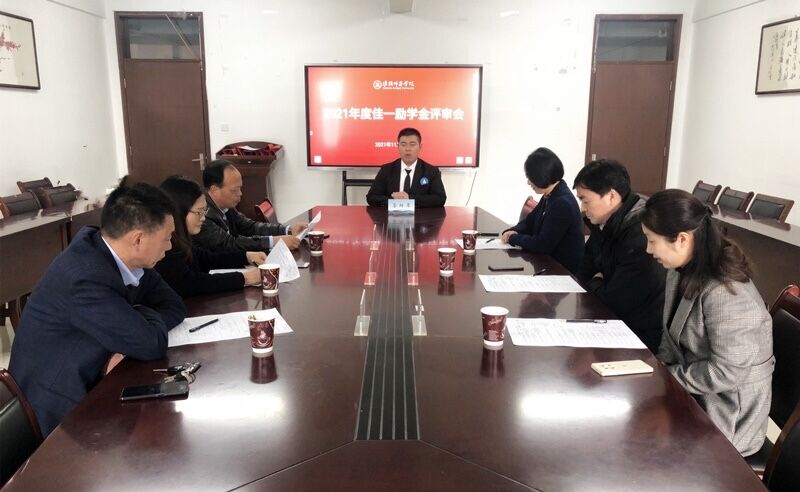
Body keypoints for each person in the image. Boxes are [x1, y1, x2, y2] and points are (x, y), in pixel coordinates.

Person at [9, 178, 186, 436]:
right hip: (59, 409)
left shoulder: (127, 257)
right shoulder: (84, 276)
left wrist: (132, 323)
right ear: (138, 239)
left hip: (94, 377)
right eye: (167, 238)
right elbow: (150, 343)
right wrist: (135, 323)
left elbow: (174, 306)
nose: (170, 247)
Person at [641, 189, 774, 456]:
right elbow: (670, 338)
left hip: (728, 414)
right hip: (695, 391)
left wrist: (666, 377)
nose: (648, 249)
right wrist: (658, 370)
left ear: (682, 239)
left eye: (652, 241)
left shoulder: (727, 293)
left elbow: (727, 372)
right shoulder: (682, 268)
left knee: (646, 448)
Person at [573, 159, 664, 351]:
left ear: (611, 196)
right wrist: (598, 281)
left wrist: (596, 281)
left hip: (637, 335)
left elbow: (614, 301)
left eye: (585, 200)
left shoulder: (640, 235)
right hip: (611, 321)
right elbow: (585, 268)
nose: (582, 208)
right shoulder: (605, 221)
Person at [155, 176, 266, 297]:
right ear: (178, 212)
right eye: (199, 212)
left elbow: (205, 258)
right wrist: (245, 278)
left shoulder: (182, 238)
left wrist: (246, 256)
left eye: (204, 211)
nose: (203, 218)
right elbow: (189, 283)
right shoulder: (165, 245)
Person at [501, 147, 584, 275]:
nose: (528, 183)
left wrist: (514, 238)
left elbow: (542, 244)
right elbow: (529, 222)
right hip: (547, 264)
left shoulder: (562, 203)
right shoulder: (550, 194)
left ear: (542, 176)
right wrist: (513, 231)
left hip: (562, 272)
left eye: (530, 178)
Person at [194, 160, 307, 252]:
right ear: (214, 190)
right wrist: (274, 241)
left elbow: (250, 227)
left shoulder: (226, 207)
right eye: (234, 190)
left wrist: (288, 230)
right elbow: (230, 243)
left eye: (240, 188)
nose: (240, 193)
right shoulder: (202, 216)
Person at [366, 128, 447, 208]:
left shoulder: (431, 171)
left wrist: (409, 198)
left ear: (420, 146)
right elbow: (371, 197)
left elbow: (440, 198)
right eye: (403, 144)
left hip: (421, 216)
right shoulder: (386, 170)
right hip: (391, 215)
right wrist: (394, 201)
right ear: (398, 146)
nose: (408, 149)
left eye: (412, 144)